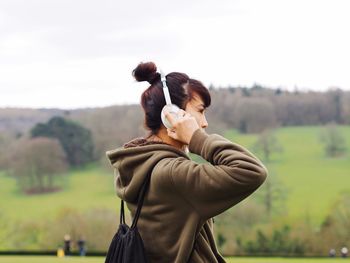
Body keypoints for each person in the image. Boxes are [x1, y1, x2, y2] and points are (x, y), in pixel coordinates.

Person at [106, 62, 268, 263]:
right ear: (172, 115)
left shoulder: (139, 164)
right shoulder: (173, 174)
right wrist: (196, 137)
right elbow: (252, 171)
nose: (204, 122)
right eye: (200, 111)